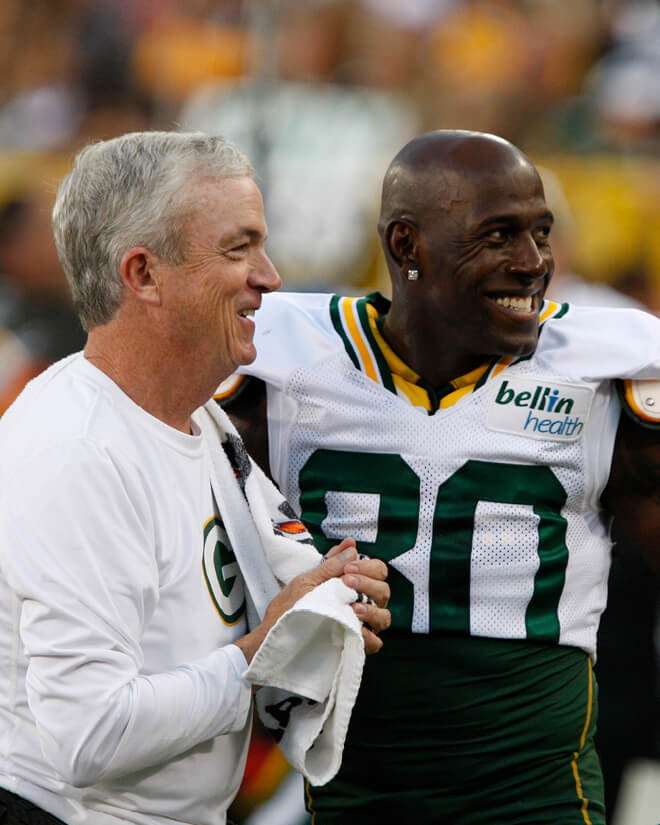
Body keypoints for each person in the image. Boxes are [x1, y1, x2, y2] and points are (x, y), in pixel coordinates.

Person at [220, 129, 660, 824]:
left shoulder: (604, 373)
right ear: (407, 245)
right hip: (355, 790)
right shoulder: (273, 364)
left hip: (537, 794)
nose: (533, 263)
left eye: (541, 234)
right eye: (499, 236)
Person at [0, 131, 390, 825]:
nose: (269, 276)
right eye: (238, 249)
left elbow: (282, 582)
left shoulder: (200, 419)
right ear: (144, 274)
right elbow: (90, 736)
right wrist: (261, 653)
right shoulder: (77, 450)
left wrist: (335, 594)